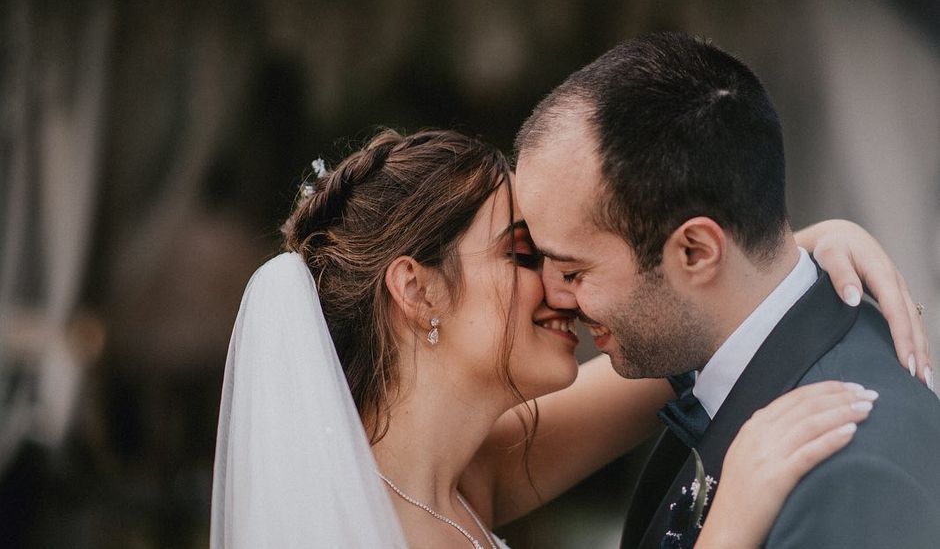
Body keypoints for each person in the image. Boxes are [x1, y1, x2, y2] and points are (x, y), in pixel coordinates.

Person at [211, 125, 927, 548]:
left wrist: (792, 248)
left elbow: (690, 326)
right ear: (415, 288)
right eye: (521, 254)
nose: (561, 288)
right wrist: (731, 519)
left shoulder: (469, 477)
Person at [512, 32, 940, 548]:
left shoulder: (854, 475)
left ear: (694, 252)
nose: (555, 295)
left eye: (574, 271)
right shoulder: (718, 360)